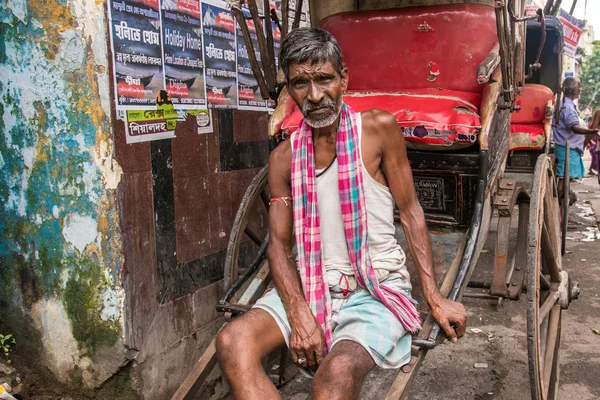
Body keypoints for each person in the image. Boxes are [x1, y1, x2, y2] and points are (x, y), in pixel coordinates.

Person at [216, 27, 467, 400]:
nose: (314, 96)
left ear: (343, 79)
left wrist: (433, 295)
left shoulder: (378, 130)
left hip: (375, 287)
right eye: (301, 83)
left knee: (335, 375)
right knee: (232, 341)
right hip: (310, 281)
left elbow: (411, 211)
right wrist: (299, 311)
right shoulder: (283, 159)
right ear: (289, 89)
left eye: (324, 79)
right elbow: (279, 246)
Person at [553, 77, 599, 194]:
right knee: (564, 178)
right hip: (567, 147)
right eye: (579, 88)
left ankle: (562, 198)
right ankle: (560, 200)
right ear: (573, 90)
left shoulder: (564, 104)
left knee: (565, 178)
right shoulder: (567, 107)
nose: (580, 90)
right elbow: (574, 128)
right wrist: (591, 131)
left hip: (566, 146)